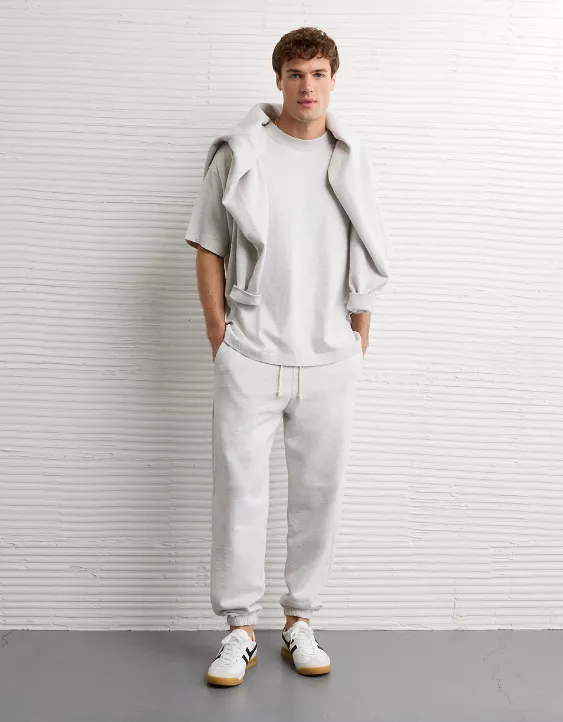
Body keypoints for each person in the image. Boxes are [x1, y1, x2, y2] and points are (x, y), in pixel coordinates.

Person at [184, 26, 389, 687]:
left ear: (333, 80)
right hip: (250, 353)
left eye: (319, 73)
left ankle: (300, 621)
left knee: (319, 496)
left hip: (329, 357)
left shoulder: (348, 157)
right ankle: (239, 630)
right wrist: (219, 334)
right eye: (296, 73)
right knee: (239, 494)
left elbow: (365, 243)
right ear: (278, 80)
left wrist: (359, 329)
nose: (307, 86)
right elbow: (208, 247)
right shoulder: (241, 153)